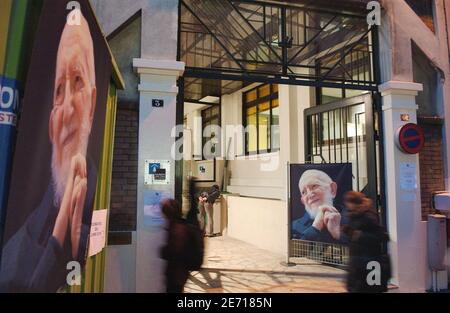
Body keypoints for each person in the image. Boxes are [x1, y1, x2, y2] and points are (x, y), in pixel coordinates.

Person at [0, 11, 97, 292]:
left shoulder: (94, 206)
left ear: (92, 105)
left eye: (77, 80)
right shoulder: (18, 243)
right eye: (58, 90)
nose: (66, 109)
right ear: (50, 123)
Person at [342, 191, 391, 293]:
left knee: (371, 289)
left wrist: (358, 235)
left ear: (355, 203)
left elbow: (382, 236)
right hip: (357, 264)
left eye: (349, 203)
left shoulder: (369, 216)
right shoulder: (352, 216)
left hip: (371, 263)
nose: (347, 205)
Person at [292, 170, 348, 244]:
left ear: (332, 189)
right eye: (304, 192)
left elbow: (360, 248)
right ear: (303, 201)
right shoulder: (295, 226)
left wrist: (338, 235)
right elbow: (295, 251)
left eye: (314, 186)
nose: (310, 195)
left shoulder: (350, 219)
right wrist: (315, 228)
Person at [160, 199, 191, 293]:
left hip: (176, 274)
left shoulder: (177, 228)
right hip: (179, 273)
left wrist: (164, 251)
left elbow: (175, 251)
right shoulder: (179, 224)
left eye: (164, 213)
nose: (163, 216)